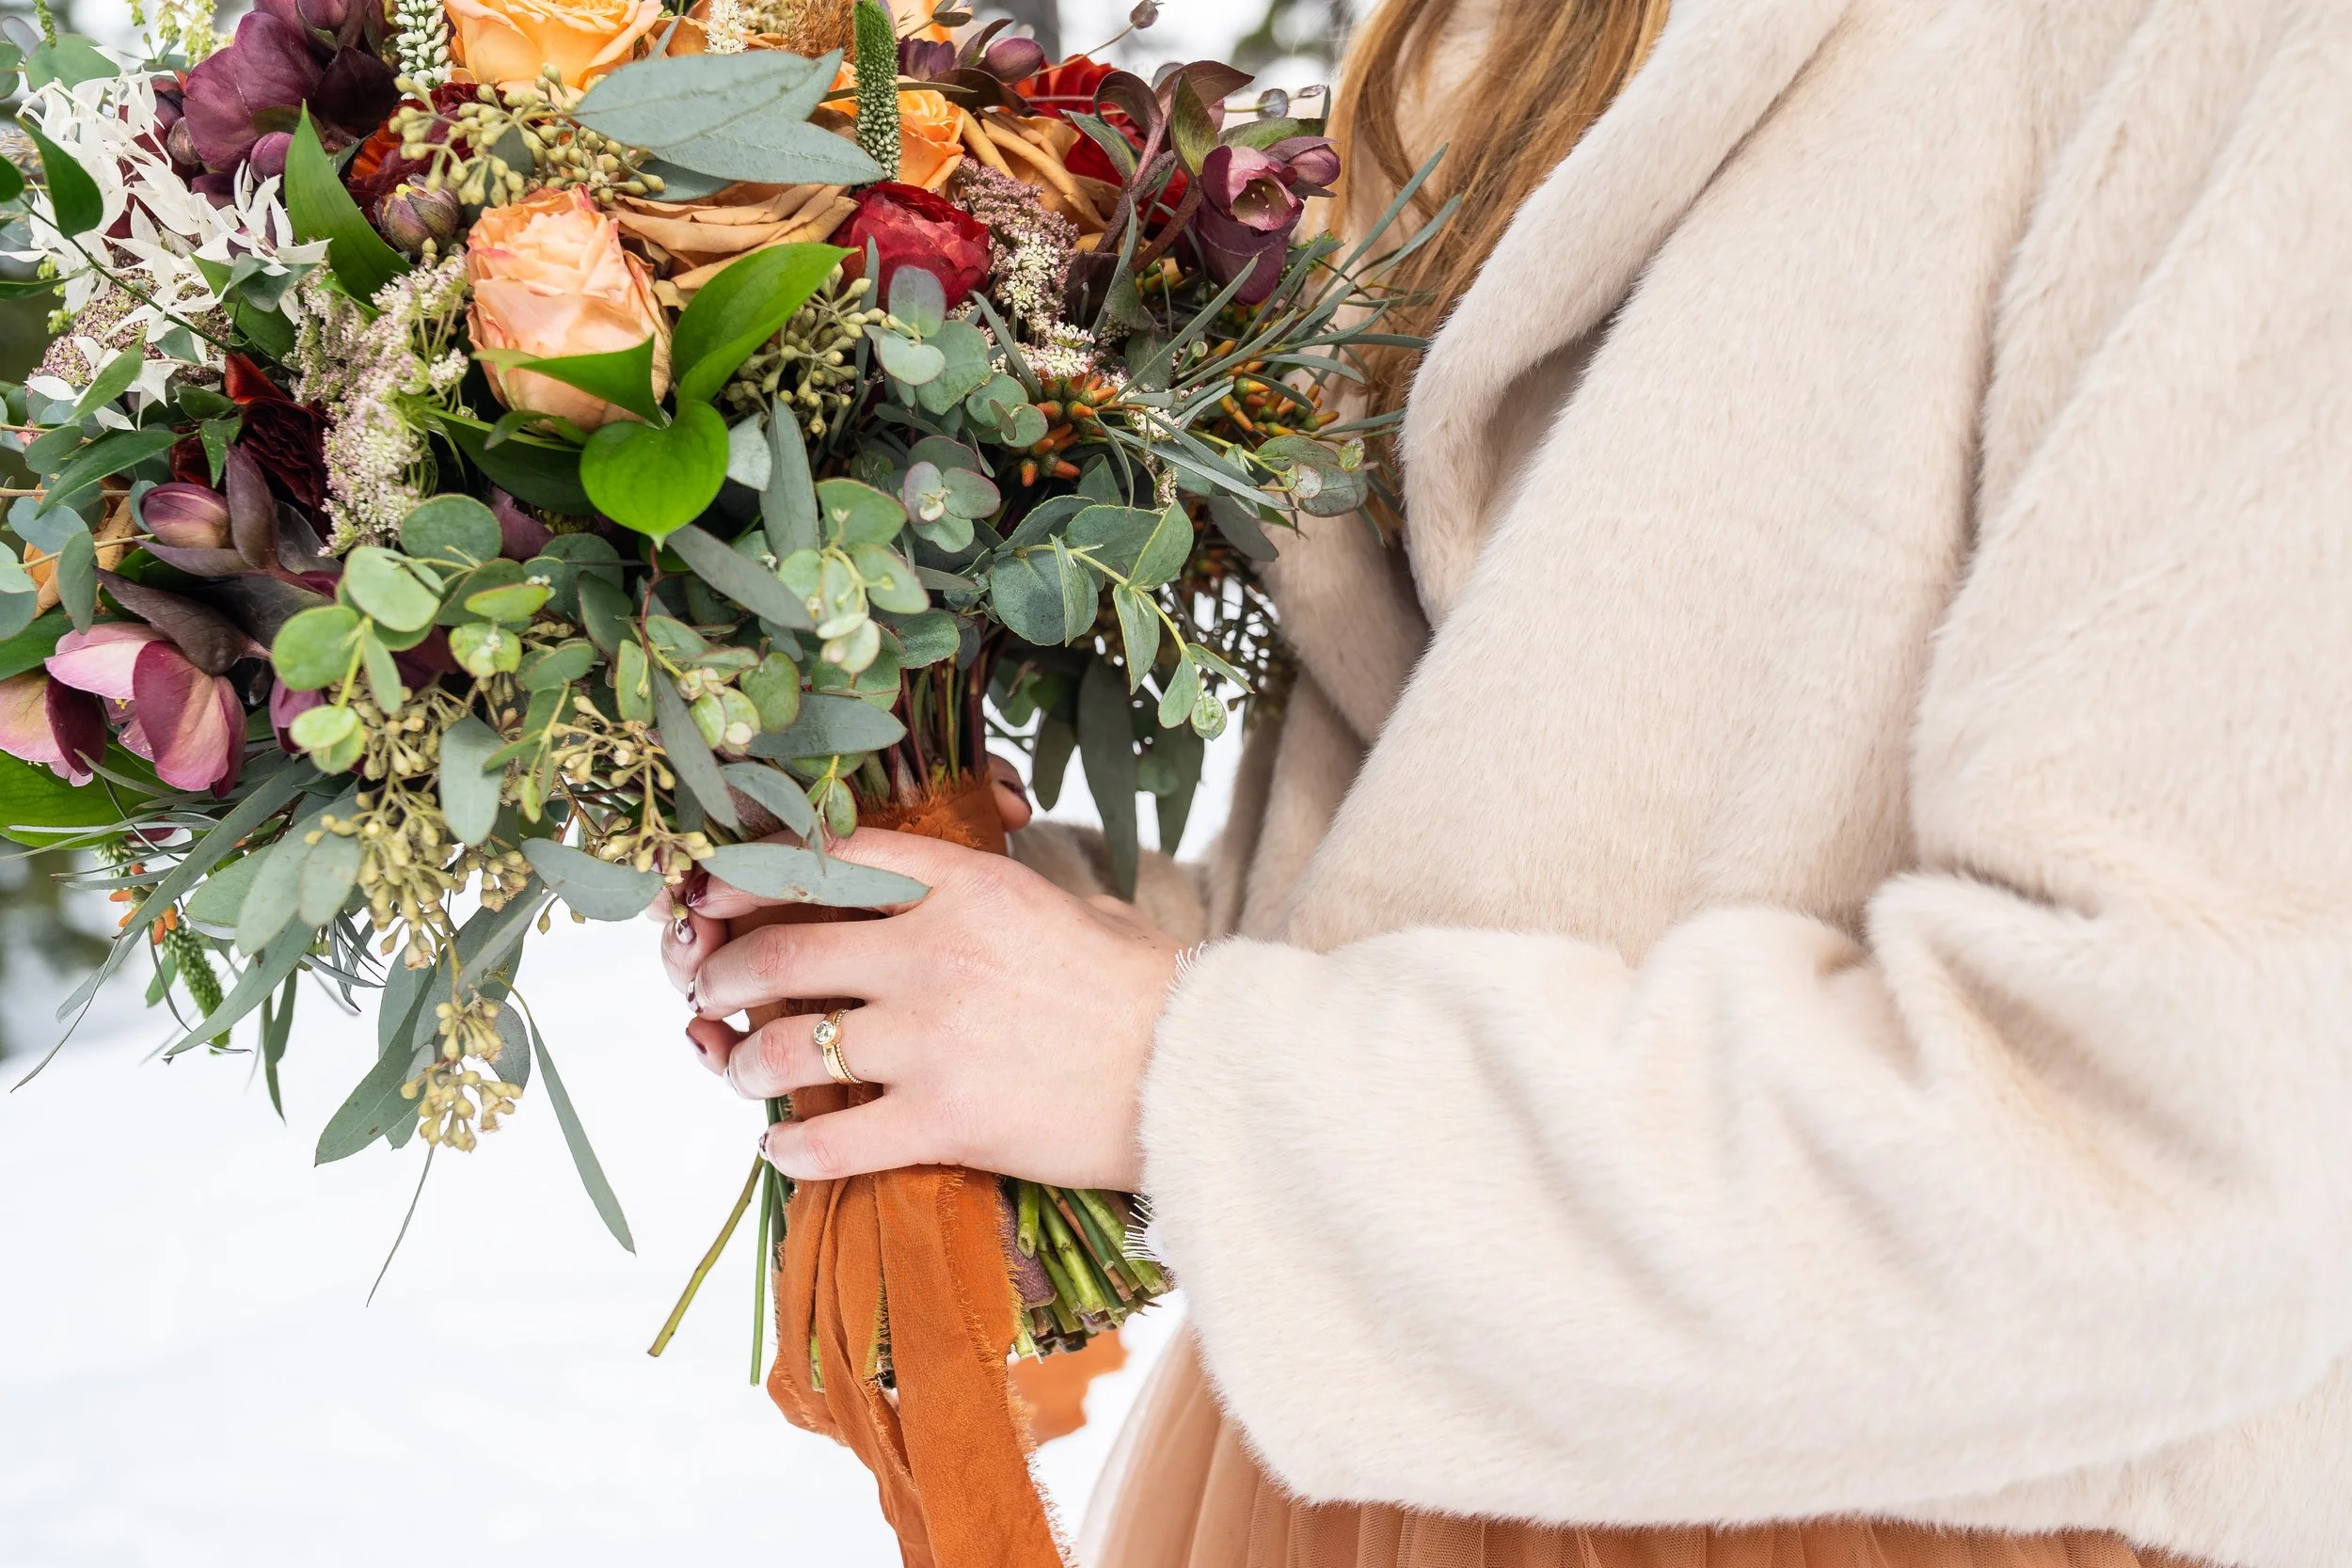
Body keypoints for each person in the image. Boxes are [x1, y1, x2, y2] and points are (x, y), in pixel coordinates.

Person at [661, 0, 2352, 1563]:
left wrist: (1180, 1071)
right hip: (1394, 1463)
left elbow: (2157, 1156)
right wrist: (1006, 973)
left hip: (1890, 1509)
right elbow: (1498, 773)